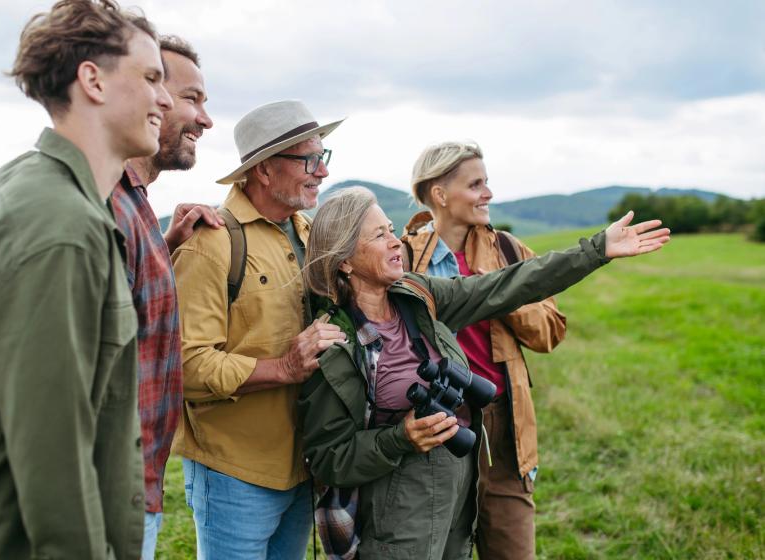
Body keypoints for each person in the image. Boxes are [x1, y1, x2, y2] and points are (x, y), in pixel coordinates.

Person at [0, 1, 170, 558]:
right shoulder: (58, 225)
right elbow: (55, 456)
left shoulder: (57, 198)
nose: (163, 98)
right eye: (150, 77)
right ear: (91, 80)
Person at [299, 187, 669, 559]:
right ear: (344, 260)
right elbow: (329, 460)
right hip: (394, 521)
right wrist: (401, 438)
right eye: (379, 236)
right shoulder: (334, 344)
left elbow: (507, 284)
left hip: (459, 502)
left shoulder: (417, 295)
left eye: (392, 229)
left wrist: (596, 250)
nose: (396, 242)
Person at [171, 100, 348, 559]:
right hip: (235, 473)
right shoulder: (210, 244)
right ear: (265, 170)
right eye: (309, 160)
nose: (321, 173)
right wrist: (284, 367)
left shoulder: (310, 233)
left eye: (322, 158)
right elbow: (186, 367)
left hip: (304, 463)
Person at [403, 140, 562, 558]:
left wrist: (501, 290)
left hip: (502, 422)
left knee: (512, 548)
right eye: (476, 185)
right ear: (440, 195)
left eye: (486, 183)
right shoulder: (402, 258)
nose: (487, 194)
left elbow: (551, 333)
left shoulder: (508, 252)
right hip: (435, 422)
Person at [109, 34, 216, 560]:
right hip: (108, 498)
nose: (205, 119)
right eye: (192, 98)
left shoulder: (139, 204)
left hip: (139, 484)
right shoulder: (105, 201)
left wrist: (164, 246)